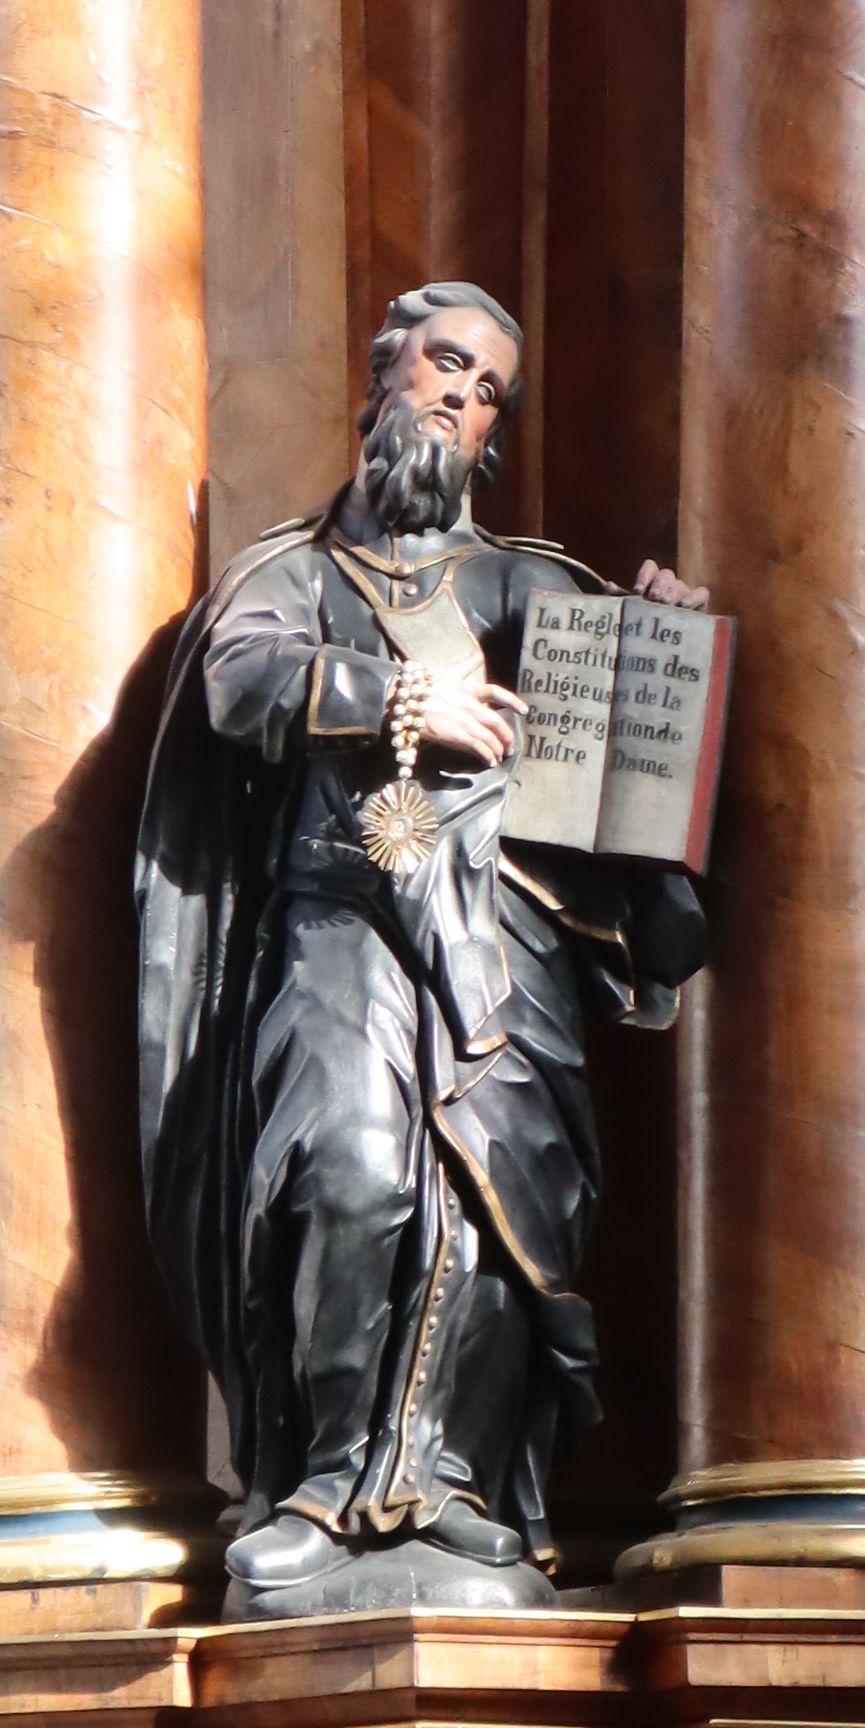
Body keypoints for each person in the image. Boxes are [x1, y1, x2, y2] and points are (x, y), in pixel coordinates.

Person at [137, 282, 707, 1597]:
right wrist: (401, 700)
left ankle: (447, 1485)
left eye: (488, 386)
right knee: (354, 1174)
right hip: (342, 931)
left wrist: (650, 650)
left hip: (503, 954)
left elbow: (610, 790)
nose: (461, 395)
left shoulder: (529, 585)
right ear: (384, 374)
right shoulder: (292, 575)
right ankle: (330, 1484)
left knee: (495, 1218)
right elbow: (238, 680)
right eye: (444, 365)